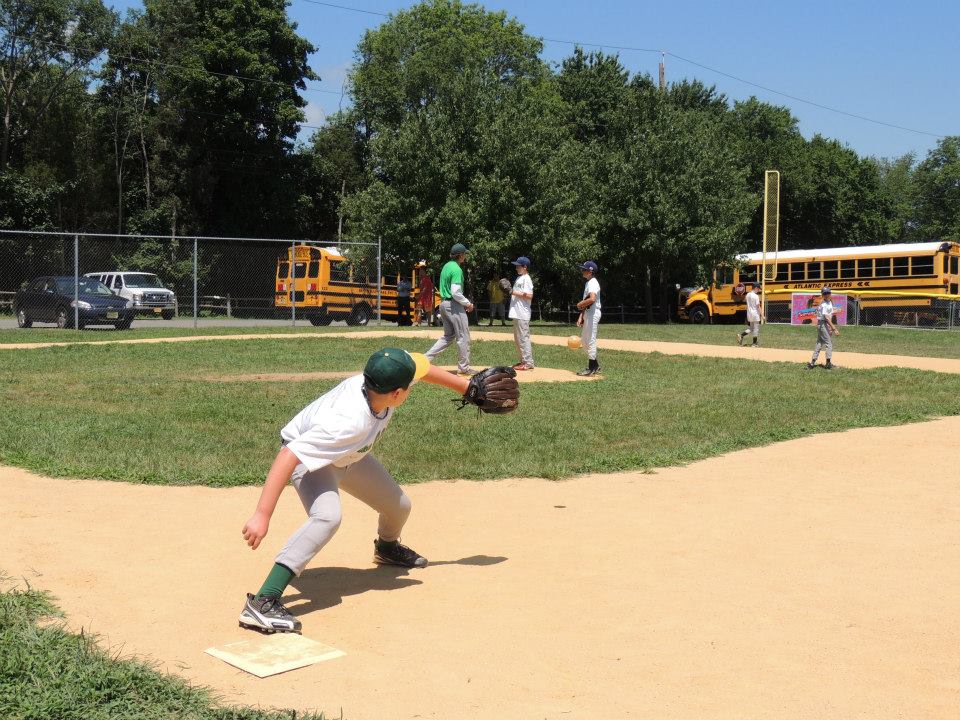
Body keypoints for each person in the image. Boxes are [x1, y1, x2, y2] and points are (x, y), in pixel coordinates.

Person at [239, 348, 475, 634]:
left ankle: (387, 549)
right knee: (327, 517)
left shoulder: (379, 385)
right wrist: (262, 515)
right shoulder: (348, 423)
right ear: (399, 394)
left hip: (351, 456)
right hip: (313, 462)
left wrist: (468, 387)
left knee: (399, 505)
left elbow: (422, 368)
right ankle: (263, 601)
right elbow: (289, 455)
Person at [424, 243, 475, 375]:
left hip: (443, 304)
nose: (465, 256)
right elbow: (455, 292)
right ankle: (464, 368)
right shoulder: (457, 269)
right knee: (463, 337)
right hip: (454, 305)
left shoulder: (446, 266)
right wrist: (468, 303)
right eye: (464, 254)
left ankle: (425, 358)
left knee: (448, 336)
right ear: (461, 255)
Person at [576, 261, 602, 376]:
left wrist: (580, 304)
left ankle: (591, 368)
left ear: (590, 271)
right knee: (584, 341)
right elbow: (588, 302)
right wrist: (581, 315)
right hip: (588, 313)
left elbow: (592, 299)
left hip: (593, 313)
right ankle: (595, 365)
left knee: (590, 340)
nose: (582, 271)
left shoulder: (593, 282)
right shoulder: (589, 282)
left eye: (584, 269)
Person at [508, 256, 534, 370]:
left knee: (523, 338)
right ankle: (523, 360)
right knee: (518, 338)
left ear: (525, 267)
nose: (516, 267)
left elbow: (529, 295)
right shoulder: (520, 278)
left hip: (523, 313)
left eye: (519, 266)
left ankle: (528, 362)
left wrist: (512, 292)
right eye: (516, 266)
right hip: (517, 313)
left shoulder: (527, 279)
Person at [807, 286, 840, 370]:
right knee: (829, 343)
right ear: (822, 295)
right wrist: (834, 329)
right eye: (824, 293)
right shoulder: (824, 304)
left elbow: (830, 315)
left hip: (824, 324)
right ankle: (828, 364)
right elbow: (827, 318)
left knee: (819, 343)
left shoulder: (829, 302)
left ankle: (812, 363)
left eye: (828, 293)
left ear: (830, 293)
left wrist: (829, 326)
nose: (826, 295)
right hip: (822, 324)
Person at [736, 281, 764, 347]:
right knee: (756, 328)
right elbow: (758, 306)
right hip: (755, 314)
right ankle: (754, 343)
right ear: (756, 288)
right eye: (758, 289)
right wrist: (762, 315)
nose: (759, 290)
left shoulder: (748, 295)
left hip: (749, 313)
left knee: (751, 328)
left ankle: (741, 335)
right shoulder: (756, 296)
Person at [415, 262, 434, 326]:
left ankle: (428, 323)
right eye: (419, 271)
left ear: (423, 271)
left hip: (426, 297)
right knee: (419, 309)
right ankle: (419, 323)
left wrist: (419, 296)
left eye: (421, 271)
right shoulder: (423, 279)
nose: (419, 272)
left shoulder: (425, 279)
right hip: (424, 297)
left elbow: (424, 289)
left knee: (428, 311)